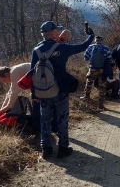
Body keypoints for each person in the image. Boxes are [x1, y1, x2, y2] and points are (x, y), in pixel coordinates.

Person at [31, 21, 94, 159]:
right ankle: (63, 148)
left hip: (43, 91)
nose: (58, 33)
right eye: (56, 31)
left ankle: (46, 149)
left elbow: (32, 73)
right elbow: (83, 46)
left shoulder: (36, 50)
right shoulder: (62, 48)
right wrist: (90, 36)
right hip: (60, 90)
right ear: (53, 33)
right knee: (62, 118)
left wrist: (33, 93)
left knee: (45, 120)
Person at [81, 36, 113, 110]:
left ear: (95, 41)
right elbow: (110, 59)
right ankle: (100, 105)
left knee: (89, 82)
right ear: (102, 41)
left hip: (92, 68)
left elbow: (85, 58)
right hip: (102, 70)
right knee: (102, 86)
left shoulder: (90, 47)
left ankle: (86, 97)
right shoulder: (106, 48)